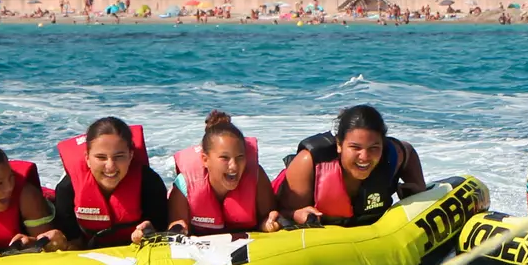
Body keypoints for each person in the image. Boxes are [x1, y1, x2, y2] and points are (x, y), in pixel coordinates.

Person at [279, 104, 426, 227]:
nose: (365, 157)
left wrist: (418, 186)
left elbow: (408, 151)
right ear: (339, 144)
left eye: (374, 147)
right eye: (355, 147)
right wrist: (296, 214)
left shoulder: (391, 154)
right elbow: (279, 212)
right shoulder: (309, 163)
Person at [49, 116, 169, 248]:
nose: (110, 166)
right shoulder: (67, 188)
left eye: (119, 157)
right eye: (101, 157)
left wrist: (151, 232)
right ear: (87, 158)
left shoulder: (150, 183)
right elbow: (72, 241)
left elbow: (162, 230)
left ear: (130, 155)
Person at [167, 111, 281, 235]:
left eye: (240, 157)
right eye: (225, 158)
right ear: (205, 160)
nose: (234, 166)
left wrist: (267, 224)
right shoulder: (185, 184)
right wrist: (177, 229)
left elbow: (267, 217)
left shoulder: (257, 177)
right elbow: (176, 223)